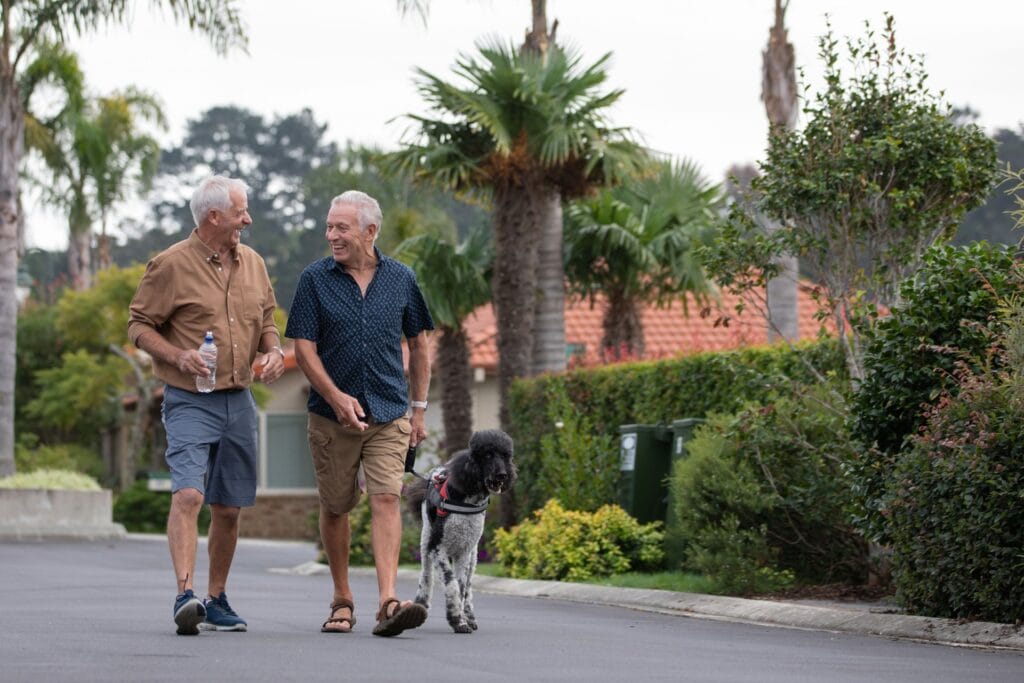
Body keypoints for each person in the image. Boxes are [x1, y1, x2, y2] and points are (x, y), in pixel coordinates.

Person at [128, 175, 286, 636]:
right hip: (190, 400)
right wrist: (178, 355)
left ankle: (215, 599)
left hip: (239, 400)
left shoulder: (254, 263)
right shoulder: (170, 265)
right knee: (189, 493)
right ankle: (185, 594)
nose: (248, 220)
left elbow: (269, 317)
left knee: (229, 507)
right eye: (241, 212)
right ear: (214, 216)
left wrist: (273, 351)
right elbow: (138, 325)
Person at [286, 190, 434, 637]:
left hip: (390, 413)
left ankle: (388, 600)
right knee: (336, 506)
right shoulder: (315, 280)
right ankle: (342, 598)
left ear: (371, 231)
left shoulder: (401, 279)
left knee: (387, 496)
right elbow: (303, 349)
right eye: (329, 227)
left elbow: (420, 345)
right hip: (331, 420)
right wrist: (335, 397)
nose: (331, 235)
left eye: (341, 227)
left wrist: (419, 410)